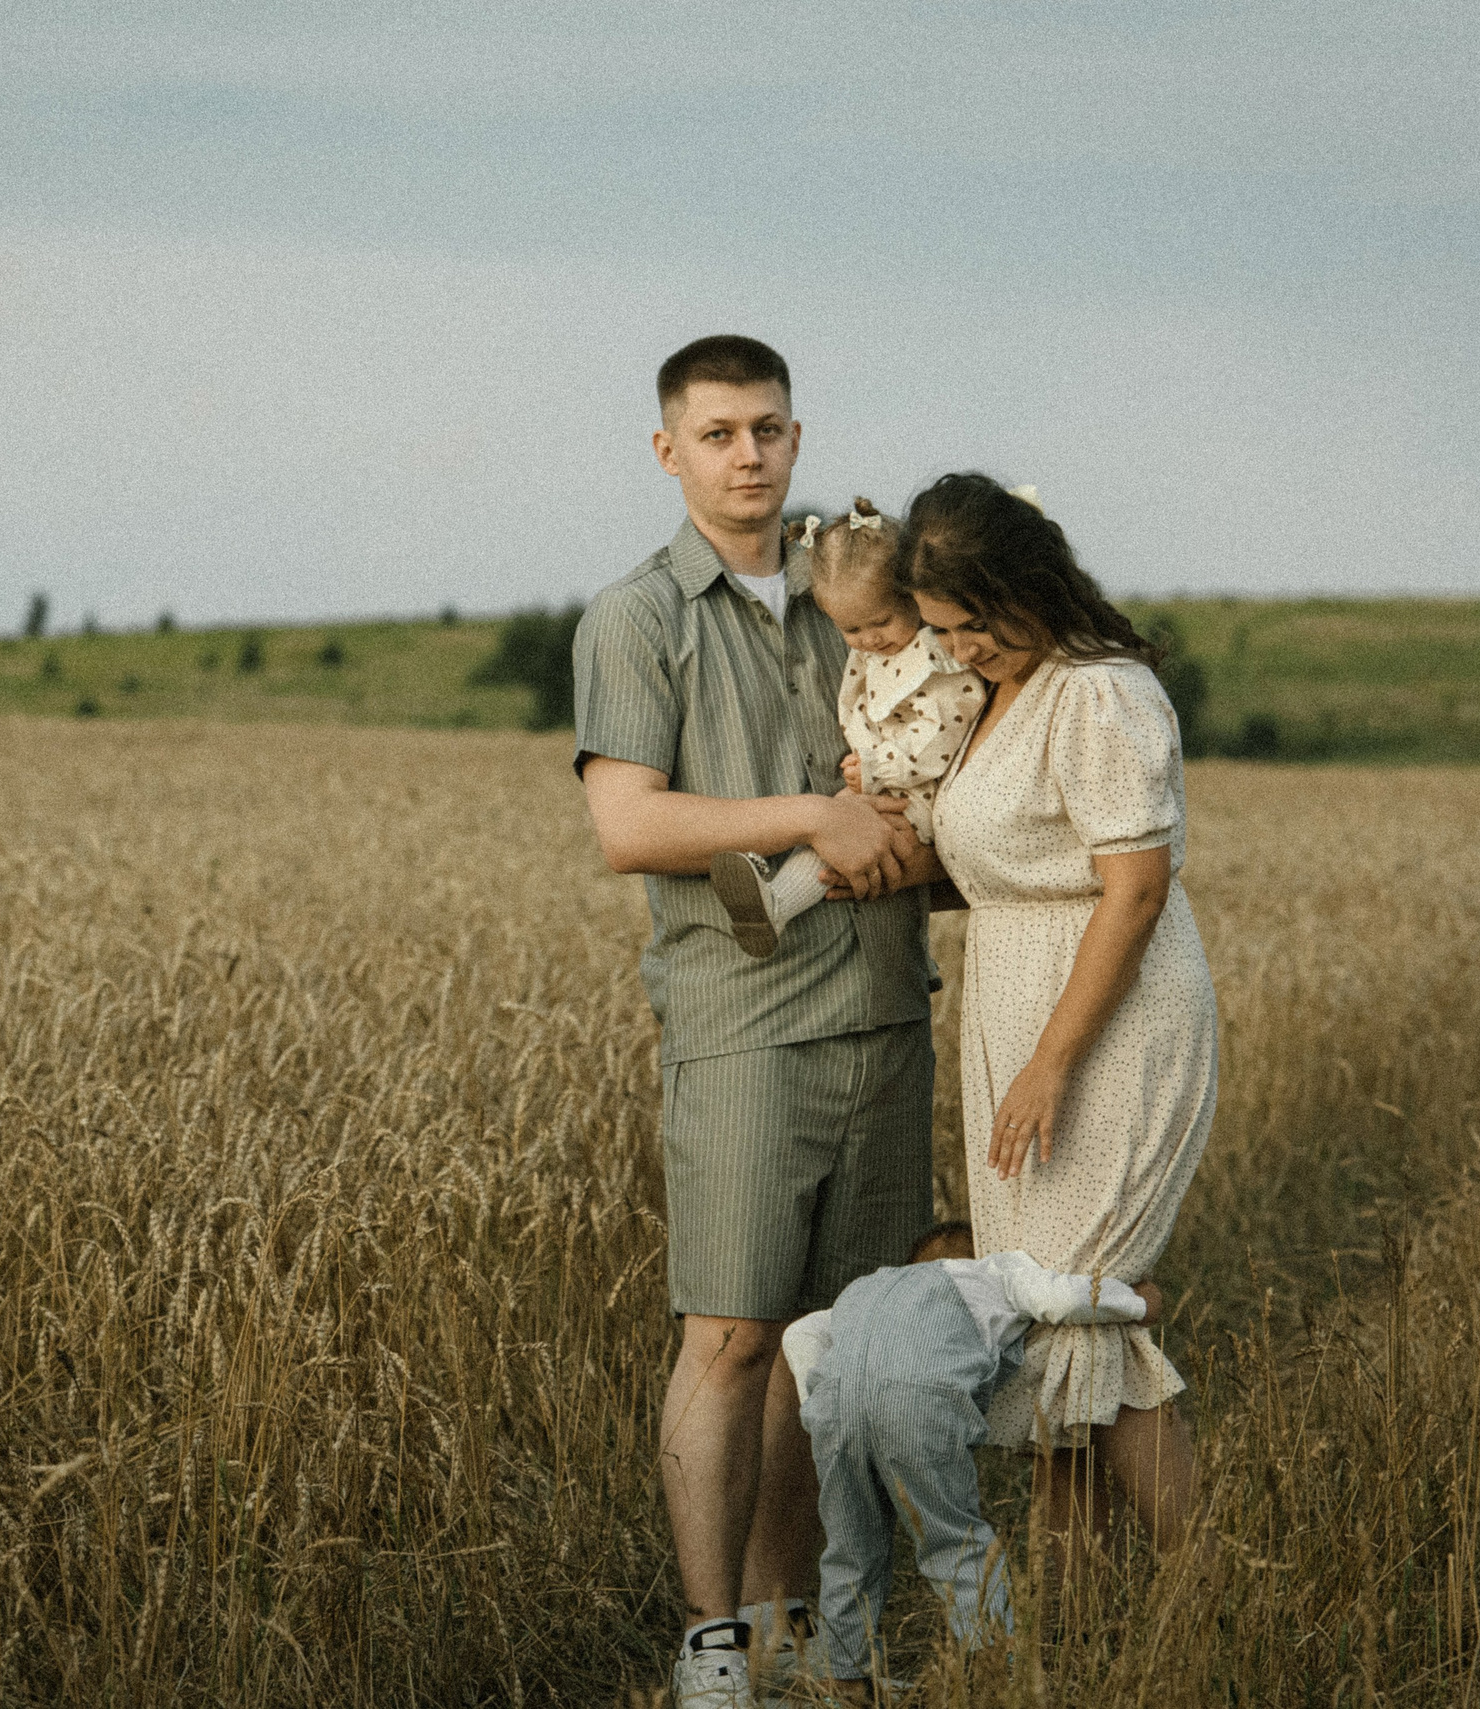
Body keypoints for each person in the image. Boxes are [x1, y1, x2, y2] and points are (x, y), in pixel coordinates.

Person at [571, 336, 939, 1709]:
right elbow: (628, 825)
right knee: (728, 1337)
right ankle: (713, 1644)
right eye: (719, 432)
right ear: (669, 451)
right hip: (742, 1028)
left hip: (887, 1015)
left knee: (830, 1351)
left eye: (770, 428)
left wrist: (913, 843)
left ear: (798, 436)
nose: (750, 454)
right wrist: (812, 817)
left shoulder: (865, 598)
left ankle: (804, 1634)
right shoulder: (636, 617)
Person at [906, 472, 1218, 1597]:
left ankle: (1205, 1590)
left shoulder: (1098, 692)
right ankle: (1074, 1603)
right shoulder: (1008, 686)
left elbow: (1131, 890)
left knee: (1077, 1307)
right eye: (940, 629)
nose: (958, 648)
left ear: (1029, 588)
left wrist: (1050, 1061)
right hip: (1015, 1009)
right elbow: (1005, 866)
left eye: (971, 624)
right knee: (1052, 1324)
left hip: (1101, 1028)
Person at [780, 1222, 1157, 1695]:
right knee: (952, 1540)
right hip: (919, 1403)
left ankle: (845, 1679)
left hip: (835, 1407)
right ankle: (1002, 1671)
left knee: (850, 1546)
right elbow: (1061, 1300)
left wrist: (815, 1403)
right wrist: (1138, 1303)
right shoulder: (999, 1271)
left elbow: (798, 1334)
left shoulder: (867, 1287)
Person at [708, 498, 985, 958]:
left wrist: (877, 765)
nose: (870, 639)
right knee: (839, 826)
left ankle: (778, 902)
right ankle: (775, 901)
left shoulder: (939, 660)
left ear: (912, 598)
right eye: (851, 629)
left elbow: (942, 734)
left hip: (927, 790)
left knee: (860, 839)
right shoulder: (874, 652)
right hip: (885, 781)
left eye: (881, 621)